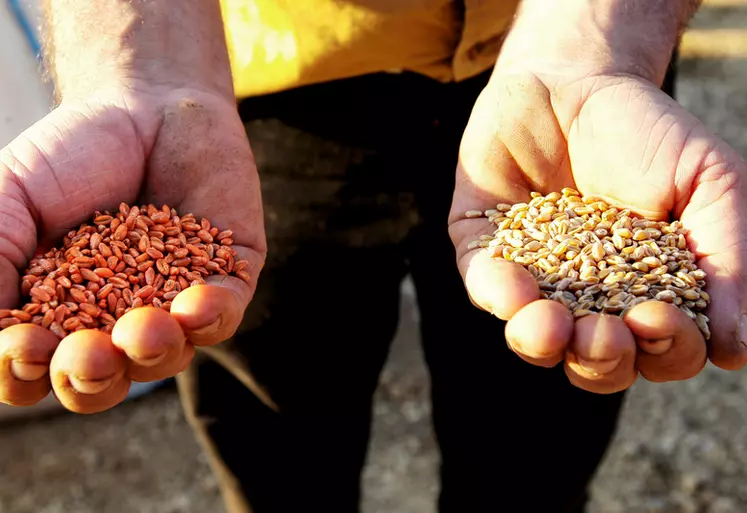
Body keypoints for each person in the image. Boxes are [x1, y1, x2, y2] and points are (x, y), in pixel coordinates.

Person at [0, 0, 745, 511]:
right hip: (248, 88)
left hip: (578, 91)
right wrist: (137, 64)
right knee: (281, 450)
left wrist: (598, 50)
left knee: (534, 453)